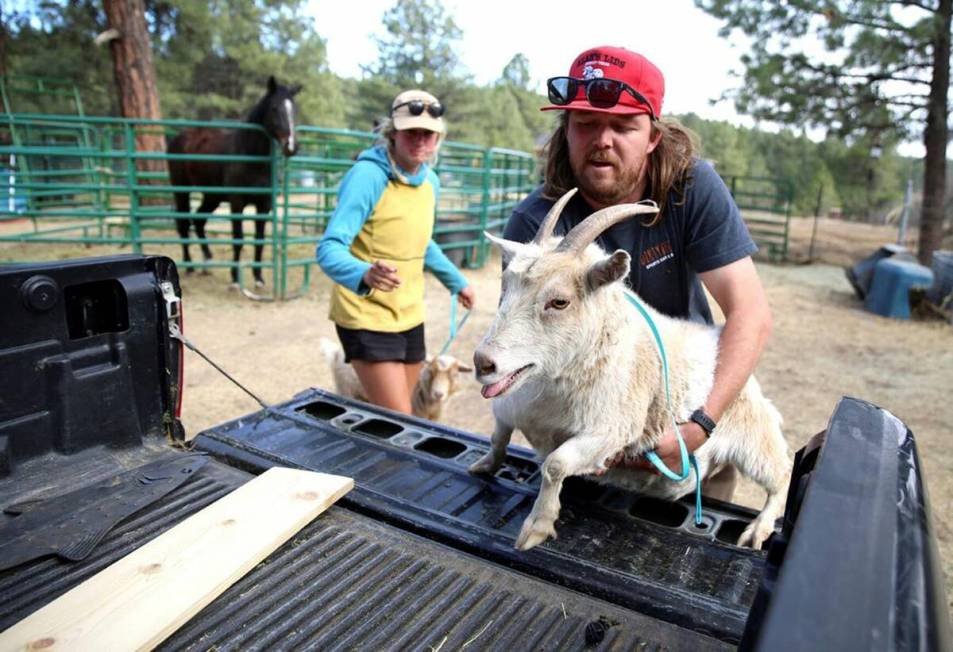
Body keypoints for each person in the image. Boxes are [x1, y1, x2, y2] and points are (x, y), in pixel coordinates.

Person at [502, 46, 773, 501]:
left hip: (686, 419)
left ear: (652, 136)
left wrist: (701, 424)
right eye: (585, 124)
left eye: (623, 126)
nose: (602, 139)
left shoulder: (691, 190)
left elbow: (750, 312)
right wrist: (586, 439)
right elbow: (523, 351)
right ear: (566, 130)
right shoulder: (536, 225)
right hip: (586, 444)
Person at [317, 89, 475, 415]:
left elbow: (421, 241)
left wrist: (456, 281)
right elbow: (329, 248)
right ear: (393, 133)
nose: (420, 140)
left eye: (428, 134)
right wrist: (363, 273)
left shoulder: (430, 181)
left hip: (408, 315)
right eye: (411, 132)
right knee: (402, 420)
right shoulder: (368, 176)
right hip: (365, 315)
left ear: (438, 138)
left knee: (408, 416)